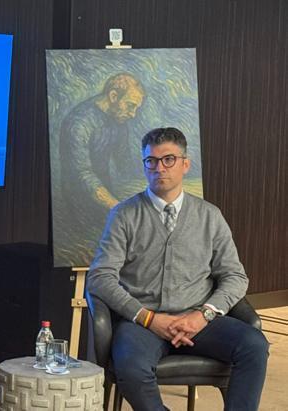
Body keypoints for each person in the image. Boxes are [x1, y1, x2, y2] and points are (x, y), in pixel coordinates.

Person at [87, 127, 269, 410]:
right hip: (142, 323)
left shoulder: (210, 216)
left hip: (199, 320)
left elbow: (234, 276)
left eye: (168, 159)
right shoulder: (124, 214)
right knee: (131, 367)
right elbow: (100, 277)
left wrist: (203, 315)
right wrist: (148, 318)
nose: (159, 168)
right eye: (151, 161)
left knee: (254, 346)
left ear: (185, 164)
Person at [56, 73, 145, 263]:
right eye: (131, 106)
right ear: (113, 96)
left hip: (108, 196)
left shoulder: (119, 121)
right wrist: (119, 208)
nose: (133, 114)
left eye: (136, 108)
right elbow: (82, 176)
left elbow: (125, 164)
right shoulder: (78, 123)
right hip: (80, 204)